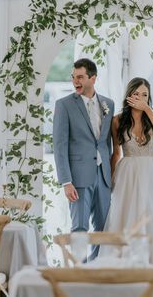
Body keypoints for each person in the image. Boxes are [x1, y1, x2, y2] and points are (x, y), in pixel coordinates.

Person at [100, 77, 153, 268]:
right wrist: (110, 180)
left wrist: (146, 109)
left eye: (145, 95)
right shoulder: (117, 120)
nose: (140, 98)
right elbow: (116, 152)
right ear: (129, 95)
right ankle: (126, 265)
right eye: (136, 94)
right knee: (127, 216)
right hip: (128, 174)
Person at [53, 58, 114, 259]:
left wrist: (110, 174)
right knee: (79, 228)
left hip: (103, 176)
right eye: (73, 77)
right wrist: (66, 181)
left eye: (80, 77)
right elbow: (59, 146)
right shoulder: (64, 105)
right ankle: (78, 273)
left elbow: (106, 143)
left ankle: (96, 271)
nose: (75, 81)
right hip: (77, 178)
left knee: (103, 228)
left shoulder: (108, 104)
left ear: (93, 78)